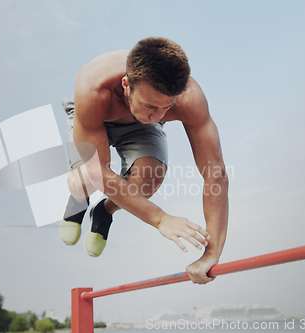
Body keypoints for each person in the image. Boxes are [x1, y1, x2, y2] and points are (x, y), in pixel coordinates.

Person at [59, 37, 228, 285]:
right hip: (95, 116)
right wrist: (160, 219)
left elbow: (216, 174)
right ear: (126, 84)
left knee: (149, 178)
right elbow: (98, 171)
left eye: (166, 108)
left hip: (134, 124)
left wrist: (211, 253)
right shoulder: (93, 87)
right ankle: (78, 201)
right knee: (85, 180)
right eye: (151, 105)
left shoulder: (188, 99)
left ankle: (103, 212)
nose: (158, 116)